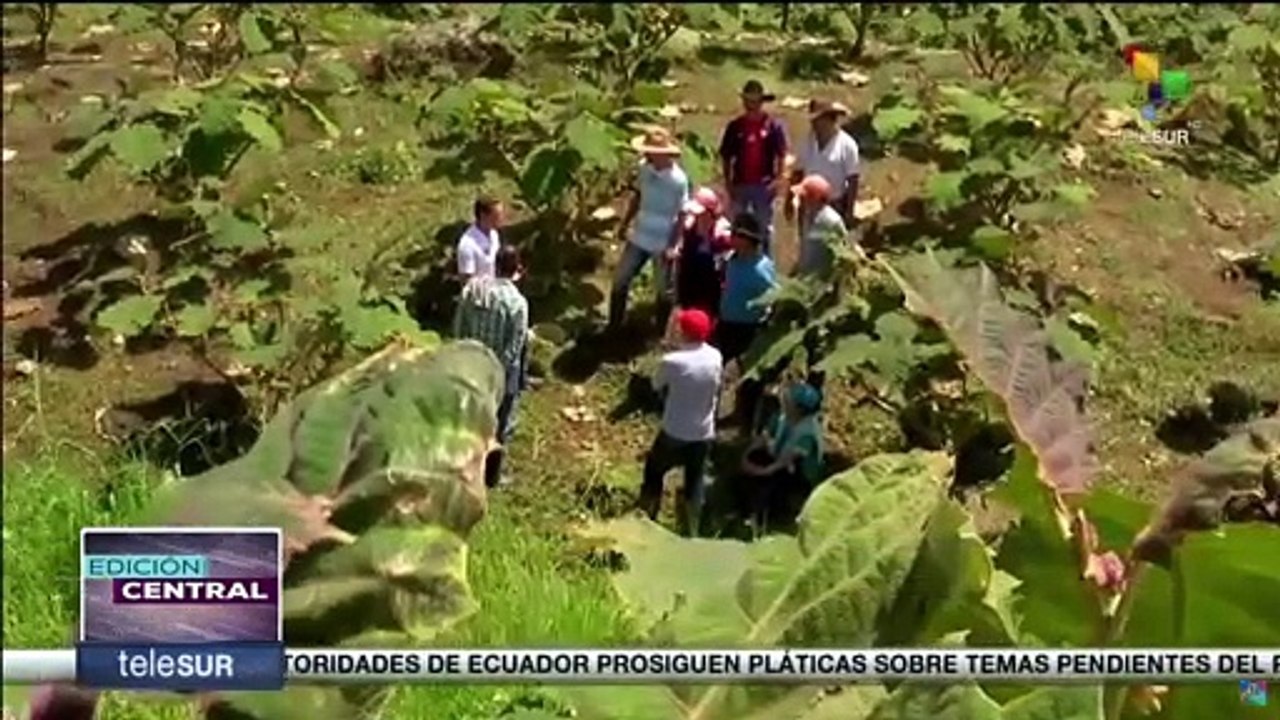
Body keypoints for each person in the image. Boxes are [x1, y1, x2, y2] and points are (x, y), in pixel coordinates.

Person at [641, 308, 723, 537]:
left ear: (683, 331)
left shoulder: (673, 361)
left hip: (675, 430)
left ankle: (648, 515)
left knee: (654, 470)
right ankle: (693, 528)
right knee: (695, 480)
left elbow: (656, 385)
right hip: (703, 431)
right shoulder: (715, 356)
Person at [452, 246, 528, 488]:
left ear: (495, 264)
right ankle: (491, 476)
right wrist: (497, 373)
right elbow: (514, 346)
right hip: (499, 376)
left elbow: (458, 327)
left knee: (468, 420)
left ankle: (461, 466)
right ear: (517, 269)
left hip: (470, 367)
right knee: (499, 425)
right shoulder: (517, 303)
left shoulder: (473, 289)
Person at [609, 127, 690, 333]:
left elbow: (682, 213)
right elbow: (637, 196)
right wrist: (625, 223)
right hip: (639, 234)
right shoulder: (645, 169)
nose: (647, 154)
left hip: (663, 239)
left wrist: (675, 243)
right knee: (620, 280)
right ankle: (614, 325)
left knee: (664, 289)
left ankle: (660, 330)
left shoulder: (678, 180)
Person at [715, 212, 778, 428]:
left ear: (749, 241)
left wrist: (768, 318)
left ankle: (746, 419)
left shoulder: (761, 271)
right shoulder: (731, 259)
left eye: (736, 235)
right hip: (725, 323)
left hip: (748, 328)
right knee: (715, 367)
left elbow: (775, 297)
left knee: (750, 377)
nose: (731, 238)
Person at [737, 382, 825, 530]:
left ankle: (762, 517)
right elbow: (764, 437)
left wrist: (759, 471)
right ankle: (743, 506)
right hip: (777, 456)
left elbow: (785, 462)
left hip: (797, 471)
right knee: (750, 469)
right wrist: (746, 456)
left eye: (789, 401)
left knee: (769, 483)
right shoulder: (781, 417)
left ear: (799, 409)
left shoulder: (807, 434)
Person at [718, 80, 789, 255]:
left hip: (764, 185)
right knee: (737, 226)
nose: (751, 105)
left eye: (754, 101)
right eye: (748, 101)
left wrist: (778, 179)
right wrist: (728, 182)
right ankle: (736, 263)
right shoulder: (735, 127)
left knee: (764, 228)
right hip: (740, 183)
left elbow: (781, 154)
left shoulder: (773, 126)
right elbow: (726, 156)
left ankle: (765, 264)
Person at [790, 99, 860, 224]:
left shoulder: (847, 145)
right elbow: (797, 172)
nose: (813, 124)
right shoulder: (807, 142)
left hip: (833, 205)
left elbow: (853, 180)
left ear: (828, 119)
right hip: (808, 204)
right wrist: (789, 199)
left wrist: (849, 210)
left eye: (817, 120)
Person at [672, 186, 732, 317]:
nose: (694, 215)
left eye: (699, 213)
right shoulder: (689, 229)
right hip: (689, 289)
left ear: (710, 212)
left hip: (711, 292)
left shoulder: (722, 233)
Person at [792, 174, 848, 278]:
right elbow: (805, 247)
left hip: (823, 280)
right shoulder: (806, 215)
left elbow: (844, 251)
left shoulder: (832, 221)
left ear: (815, 197)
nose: (800, 199)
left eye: (803, 196)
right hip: (805, 277)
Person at [457, 195, 505, 281]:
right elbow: (466, 281)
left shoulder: (494, 234)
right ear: (483, 215)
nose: (501, 219)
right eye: (497, 215)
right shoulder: (467, 245)